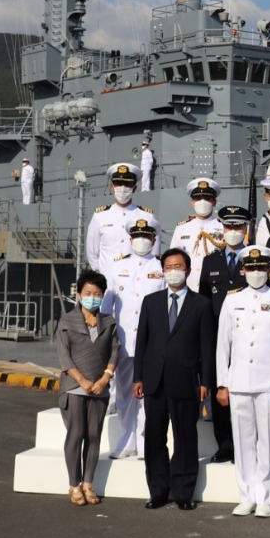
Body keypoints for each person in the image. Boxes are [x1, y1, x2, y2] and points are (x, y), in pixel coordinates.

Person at [133, 247, 216, 511]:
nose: (173, 272)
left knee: (185, 438)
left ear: (188, 271)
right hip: (154, 382)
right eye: (168, 267)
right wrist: (138, 377)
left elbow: (207, 348)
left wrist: (205, 382)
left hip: (187, 381)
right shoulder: (151, 301)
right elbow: (142, 342)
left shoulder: (202, 304)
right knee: (155, 438)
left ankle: (183, 492)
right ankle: (158, 491)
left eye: (178, 267)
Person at [216, 246, 270, 518]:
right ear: (243, 270)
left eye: (261, 267)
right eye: (251, 268)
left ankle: (265, 497)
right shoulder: (232, 300)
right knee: (243, 442)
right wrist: (222, 384)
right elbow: (222, 346)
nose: (256, 272)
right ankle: (246, 494)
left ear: (268, 269)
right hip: (238, 383)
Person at [99, 218, 164, 460]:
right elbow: (107, 308)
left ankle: (146, 441)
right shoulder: (117, 268)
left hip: (152, 344)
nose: (141, 241)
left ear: (154, 240)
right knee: (125, 394)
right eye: (137, 236)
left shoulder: (161, 269)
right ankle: (127, 440)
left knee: (149, 396)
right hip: (124, 342)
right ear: (129, 239)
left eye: (146, 237)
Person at [56, 268, 120, 506]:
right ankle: (73, 485)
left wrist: (105, 378)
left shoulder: (109, 321)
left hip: (100, 388)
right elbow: (64, 357)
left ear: (103, 296)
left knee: (94, 435)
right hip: (75, 387)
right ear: (79, 294)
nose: (92, 296)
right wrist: (82, 381)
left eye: (97, 293)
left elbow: (115, 351)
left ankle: (88, 483)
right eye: (87, 292)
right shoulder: (67, 320)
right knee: (77, 433)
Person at [198, 204, 251, 464]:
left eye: (238, 227)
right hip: (219, 336)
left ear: (246, 228)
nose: (233, 231)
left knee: (245, 391)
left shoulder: (254, 259)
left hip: (246, 336)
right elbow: (205, 301)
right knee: (222, 391)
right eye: (229, 226)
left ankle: (246, 446)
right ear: (222, 228)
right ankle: (225, 446)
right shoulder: (211, 261)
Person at [86, 163, 161, 273]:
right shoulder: (100, 216)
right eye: (118, 183)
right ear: (112, 187)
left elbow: (154, 252)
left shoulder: (147, 216)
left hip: (136, 279)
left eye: (127, 184)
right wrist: (102, 275)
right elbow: (92, 253)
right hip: (108, 280)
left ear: (134, 188)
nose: (122, 188)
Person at [169, 178, 226, 293]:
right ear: (192, 202)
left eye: (207, 198)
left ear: (214, 202)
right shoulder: (181, 228)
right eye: (198, 198)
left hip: (215, 289)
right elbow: (173, 260)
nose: (202, 202)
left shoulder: (223, 228)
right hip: (188, 288)